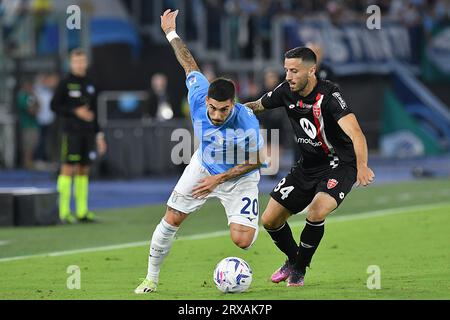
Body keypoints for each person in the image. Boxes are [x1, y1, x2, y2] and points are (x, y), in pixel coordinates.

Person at [135, 9, 265, 294]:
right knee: (172, 218)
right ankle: (151, 279)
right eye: (213, 108)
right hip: (203, 167)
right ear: (205, 99)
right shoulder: (197, 93)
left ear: (233, 104)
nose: (217, 115)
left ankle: (251, 221)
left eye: (224, 109)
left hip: (239, 179)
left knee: (242, 240)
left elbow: (259, 160)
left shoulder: (247, 121)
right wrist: (170, 32)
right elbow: (188, 62)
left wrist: (219, 181)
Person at [245, 47, 375, 287]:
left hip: (340, 165)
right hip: (307, 166)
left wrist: (362, 165)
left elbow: (356, 133)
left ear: (311, 70)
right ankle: (294, 260)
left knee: (316, 211)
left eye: (294, 71)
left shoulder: (330, 97)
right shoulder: (286, 91)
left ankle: (299, 270)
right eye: (286, 70)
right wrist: (230, 109)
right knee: (270, 220)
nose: (288, 76)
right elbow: (258, 105)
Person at [51, 48, 107, 224]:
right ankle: (63, 212)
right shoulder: (65, 82)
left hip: (88, 133)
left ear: (86, 63)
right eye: (76, 61)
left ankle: (82, 211)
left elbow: (95, 113)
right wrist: (75, 112)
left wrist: (99, 136)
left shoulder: (91, 83)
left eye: (82, 61)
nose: (79, 64)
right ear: (71, 63)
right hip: (71, 132)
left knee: (84, 169)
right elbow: (54, 106)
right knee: (68, 168)